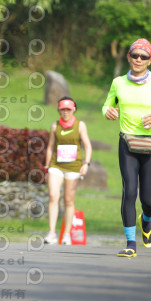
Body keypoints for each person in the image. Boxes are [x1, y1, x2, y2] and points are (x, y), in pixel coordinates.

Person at [102, 38, 151, 257]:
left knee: (147, 200)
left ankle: (146, 220)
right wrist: (107, 111)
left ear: (150, 60)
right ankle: (130, 243)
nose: (138, 59)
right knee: (129, 192)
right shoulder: (118, 83)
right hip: (127, 143)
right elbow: (108, 104)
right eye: (134, 55)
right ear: (128, 56)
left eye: (143, 56)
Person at [43, 97, 92, 245]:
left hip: (73, 167)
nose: (65, 112)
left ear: (74, 110)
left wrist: (86, 164)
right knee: (53, 196)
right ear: (59, 110)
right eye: (62, 109)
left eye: (68, 109)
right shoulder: (55, 126)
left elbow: (87, 146)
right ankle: (51, 232)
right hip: (56, 166)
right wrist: (46, 167)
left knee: (68, 200)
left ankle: (66, 235)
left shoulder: (80, 125)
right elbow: (51, 147)